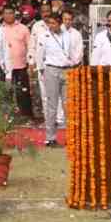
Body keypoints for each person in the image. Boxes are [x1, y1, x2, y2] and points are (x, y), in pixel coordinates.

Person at [35, 10, 74, 147]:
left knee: (68, 105)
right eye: (49, 23)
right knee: (51, 105)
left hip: (66, 70)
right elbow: (39, 54)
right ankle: (50, 137)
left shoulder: (67, 35)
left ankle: (71, 137)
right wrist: (41, 71)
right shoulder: (43, 36)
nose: (51, 25)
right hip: (51, 69)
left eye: (53, 23)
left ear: (59, 24)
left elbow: (71, 53)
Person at [0, 5, 32, 117]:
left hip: (20, 65)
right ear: (2, 15)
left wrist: (30, 62)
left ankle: (26, 116)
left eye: (11, 13)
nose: (8, 15)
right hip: (4, 67)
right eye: (6, 13)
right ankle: (6, 117)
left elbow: (30, 46)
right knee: (5, 92)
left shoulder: (23, 28)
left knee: (22, 92)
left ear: (15, 14)